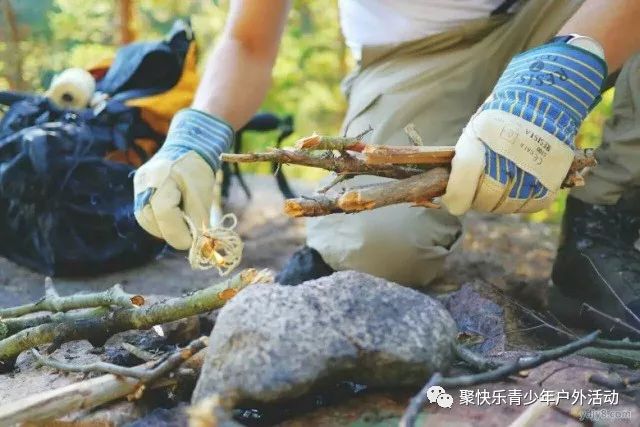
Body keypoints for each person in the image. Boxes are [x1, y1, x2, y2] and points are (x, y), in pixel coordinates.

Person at [133, 0, 640, 331]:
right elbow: (248, 39)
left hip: (575, 11)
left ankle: (602, 228)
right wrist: (197, 132)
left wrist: (567, 65)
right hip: (415, 58)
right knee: (374, 249)